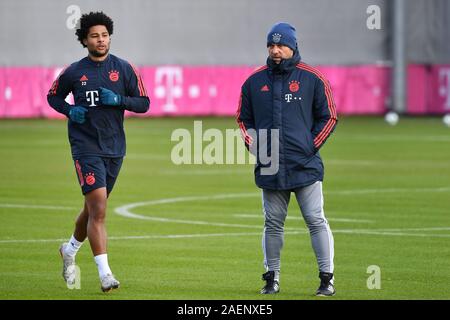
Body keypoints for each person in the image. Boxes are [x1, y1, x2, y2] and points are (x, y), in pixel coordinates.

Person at [47, 11, 150, 292]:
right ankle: (105, 274)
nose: (101, 40)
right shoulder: (74, 71)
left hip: (114, 147)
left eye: (104, 35)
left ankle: (68, 250)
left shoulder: (125, 68)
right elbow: (53, 95)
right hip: (85, 147)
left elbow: (144, 103)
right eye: (94, 36)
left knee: (92, 209)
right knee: (100, 211)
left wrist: (119, 99)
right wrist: (70, 110)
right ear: (84, 40)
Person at [236, 22, 337, 296]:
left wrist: (310, 146)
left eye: (281, 45)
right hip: (270, 166)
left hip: (305, 166)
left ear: (292, 46)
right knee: (272, 223)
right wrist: (255, 145)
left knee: (316, 220)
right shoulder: (254, 82)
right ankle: (271, 279)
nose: (275, 50)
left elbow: (329, 116)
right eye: (271, 45)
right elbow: (244, 120)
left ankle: (326, 279)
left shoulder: (313, 78)